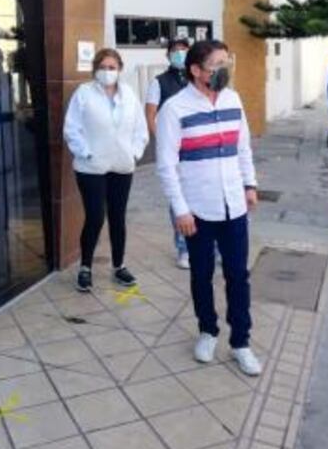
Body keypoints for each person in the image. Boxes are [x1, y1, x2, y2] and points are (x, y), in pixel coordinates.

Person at [156, 39, 262, 376]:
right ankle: (207, 330)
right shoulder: (174, 109)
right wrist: (180, 210)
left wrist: (250, 184)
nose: (224, 69)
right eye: (216, 64)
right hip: (197, 211)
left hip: (234, 205)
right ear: (196, 70)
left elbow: (243, 147)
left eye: (225, 61)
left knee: (238, 276)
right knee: (201, 275)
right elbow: (166, 166)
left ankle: (241, 342)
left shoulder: (233, 99)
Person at [64, 48, 149, 292]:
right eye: (102, 67)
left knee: (118, 216)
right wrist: (86, 153)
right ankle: (85, 267)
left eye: (112, 67)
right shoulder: (84, 93)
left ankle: (119, 266)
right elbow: (72, 129)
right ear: (95, 70)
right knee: (94, 217)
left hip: (122, 165)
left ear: (120, 69)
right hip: (91, 167)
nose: (107, 72)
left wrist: (134, 153)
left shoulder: (130, 94)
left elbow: (140, 130)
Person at [145, 38, 191, 269]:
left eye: (183, 50)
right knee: (178, 199)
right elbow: (150, 115)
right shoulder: (159, 82)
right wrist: (163, 144)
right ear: (168, 56)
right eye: (175, 51)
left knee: (201, 196)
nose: (179, 54)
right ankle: (183, 248)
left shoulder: (198, 81)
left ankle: (210, 246)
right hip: (174, 152)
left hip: (197, 149)